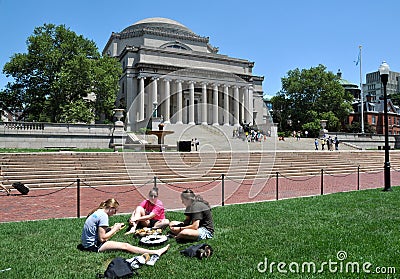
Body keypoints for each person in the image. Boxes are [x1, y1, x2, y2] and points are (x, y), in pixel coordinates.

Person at [80, 198, 170, 255]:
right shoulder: (104, 216)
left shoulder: (98, 211)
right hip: (93, 246)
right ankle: (155, 252)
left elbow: (98, 230)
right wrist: (115, 229)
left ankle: (154, 252)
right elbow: (102, 238)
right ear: (111, 208)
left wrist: (111, 228)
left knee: (123, 244)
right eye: (115, 211)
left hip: (86, 244)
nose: (115, 213)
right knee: (125, 246)